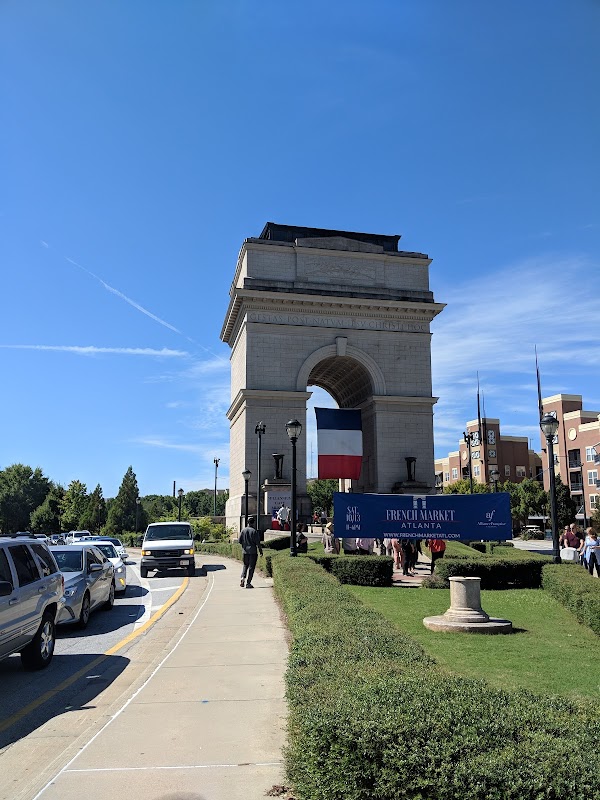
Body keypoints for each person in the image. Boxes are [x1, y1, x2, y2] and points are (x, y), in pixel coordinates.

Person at [238, 515, 263, 589]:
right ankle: (248, 583)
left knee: (245, 565)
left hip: (245, 551)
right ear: (253, 523)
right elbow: (258, 543)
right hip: (253, 552)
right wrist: (260, 551)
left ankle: (243, 577)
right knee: (251, 567)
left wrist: (244, 545)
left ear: (247, 522)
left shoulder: (243, 530)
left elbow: (239, 541)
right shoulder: (254, 531)